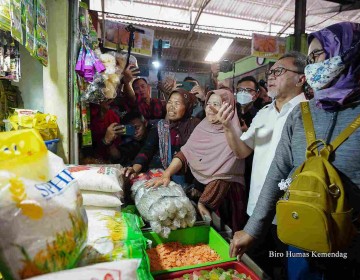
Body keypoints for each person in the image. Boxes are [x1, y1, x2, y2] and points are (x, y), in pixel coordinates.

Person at [230, 22, 360, 280]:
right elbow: (278, 174)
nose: (312, 66)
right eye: (309, 58)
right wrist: (252, 229)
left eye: (318, 55)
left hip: (352, 247)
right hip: (302, 235)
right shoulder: (302, 116)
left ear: (348, 52)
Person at [216, 51, 308, 278]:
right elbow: (241, 150)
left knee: (292, 271)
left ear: (301, 79)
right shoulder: (264, 114)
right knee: (256, 268)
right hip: (257, 209)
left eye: (279, 71)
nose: (272, 76)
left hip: (292, 214)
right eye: (271, 72)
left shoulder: (309, 113)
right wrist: (229, 126)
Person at [146, 89, 247, 232]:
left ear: (228, 107)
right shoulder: (203, 127)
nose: (211, 108)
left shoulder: (234, 133)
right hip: (203, 195)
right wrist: (166, 174)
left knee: (225, 234)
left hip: (224, 198)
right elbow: (186, 153)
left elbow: (224, 174)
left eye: (217, 104)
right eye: (208, 103)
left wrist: (204, 202)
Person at [122, 88, 200, 185]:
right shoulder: (160, 126)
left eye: (177, 103)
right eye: (170, 102)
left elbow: (190, 153)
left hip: (188, 180)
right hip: (159, 176)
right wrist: (134, 168)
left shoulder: (195, 126)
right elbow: (147, 150)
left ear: (187, 107)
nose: (171, 107)